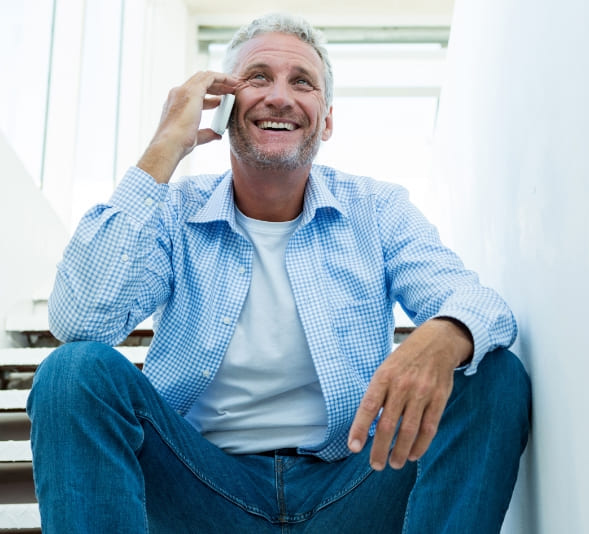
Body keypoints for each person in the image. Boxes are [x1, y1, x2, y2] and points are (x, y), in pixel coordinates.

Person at [27, 12, 531, 533]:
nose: (280, 97)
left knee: (491, 374)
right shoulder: (174, 214)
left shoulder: (377, 209)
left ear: (326, 119)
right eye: (258, 78)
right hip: (203, 491)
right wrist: (164, 149)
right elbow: (79, 322)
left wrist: (446, 334)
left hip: (354, 486)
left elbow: (478, 303)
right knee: (72, 374)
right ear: (223, 106)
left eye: (302, 82)